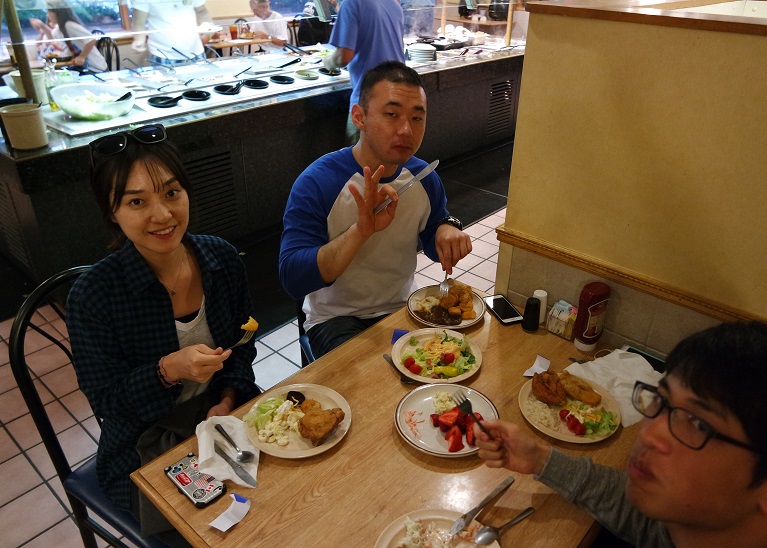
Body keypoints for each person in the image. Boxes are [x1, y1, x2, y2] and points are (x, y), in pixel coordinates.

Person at [66, 124, 260, 538]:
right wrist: (167, 370)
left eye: (172, 193)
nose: (162, 215)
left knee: (291, 497)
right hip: (144, 444)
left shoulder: (221, 259)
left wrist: (227, 400)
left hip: (223, 417)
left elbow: (242, 346)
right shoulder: (94, 295)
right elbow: (107, 401)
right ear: (112, 212)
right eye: (137, 201)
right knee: (218, 532)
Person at [474, 322, 767, 548]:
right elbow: (646, 519)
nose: (651, 432)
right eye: (661, 402)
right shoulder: (692, 523)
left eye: (697, 423)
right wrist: (539, 458)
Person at [279, 61, 472, 358]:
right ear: (359, 117)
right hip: (335, 318)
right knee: (375, 380)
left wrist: (447, 227)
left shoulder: (423, 176)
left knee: (446, 364)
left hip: (402, 308)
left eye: (417, 118)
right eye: (392, 114)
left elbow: (435, 239)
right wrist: (360, 231)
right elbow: (293, 278)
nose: (406, 130)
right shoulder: (318, 182)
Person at [322, 0, 405, 144]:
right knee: (388, 155)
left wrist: (327, 61)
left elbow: (343, 57)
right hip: (397, 95)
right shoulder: (393, 3)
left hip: (369, 101)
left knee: (361, 157)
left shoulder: (351, 3)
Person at [130, 0, 213, 67]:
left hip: (196, 53)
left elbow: (202, 11)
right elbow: (139, 23)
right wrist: (139, 39)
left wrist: (209, 26)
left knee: (201, 83)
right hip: (163, 56)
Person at [29, 6, 107, 72]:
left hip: (96, 67)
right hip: (84, 67)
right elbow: (51, 38)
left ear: (57, 14)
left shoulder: (69, 25)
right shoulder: (59, 28)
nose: (47, 15)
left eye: (49, 12)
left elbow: (92, 39)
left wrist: (82, 56)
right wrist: (42, 26)